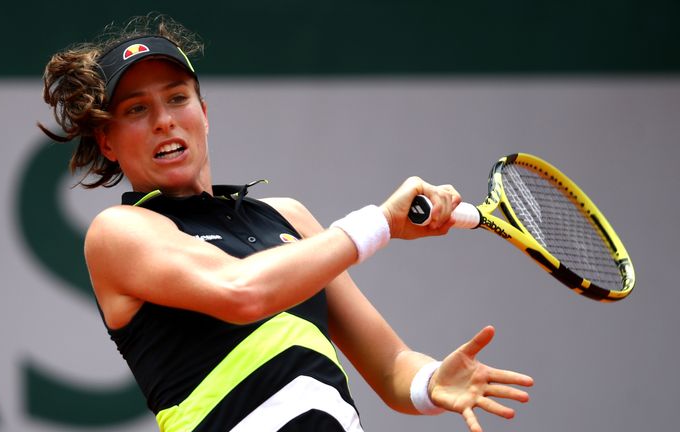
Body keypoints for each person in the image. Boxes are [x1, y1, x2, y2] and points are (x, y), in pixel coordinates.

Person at [40, 14, 533, 432]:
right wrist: (379, 223)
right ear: (107, 142)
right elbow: (241, 292)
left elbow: (391, 368)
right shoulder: (121, 231)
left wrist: (431, 382)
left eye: (177, 98)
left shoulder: (289, 218)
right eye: (137, 109)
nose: (164, 120)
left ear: (204, 113)